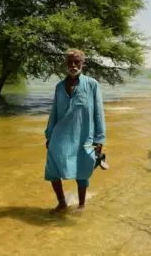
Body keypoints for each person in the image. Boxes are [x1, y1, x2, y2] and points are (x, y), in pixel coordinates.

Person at [44, 49, 106, 214]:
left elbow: (99, 112)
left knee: (83, 169)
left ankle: (81, 205)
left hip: (84, 136)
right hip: (59, 137)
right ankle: (62, 203)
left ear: (82, 63)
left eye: (76, 61)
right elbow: (54, 112)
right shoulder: (59, 87)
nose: (73, 65)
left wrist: (99, 139)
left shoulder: (92, 84)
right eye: (69, 62)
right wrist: (49, 136)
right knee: (52, 169)